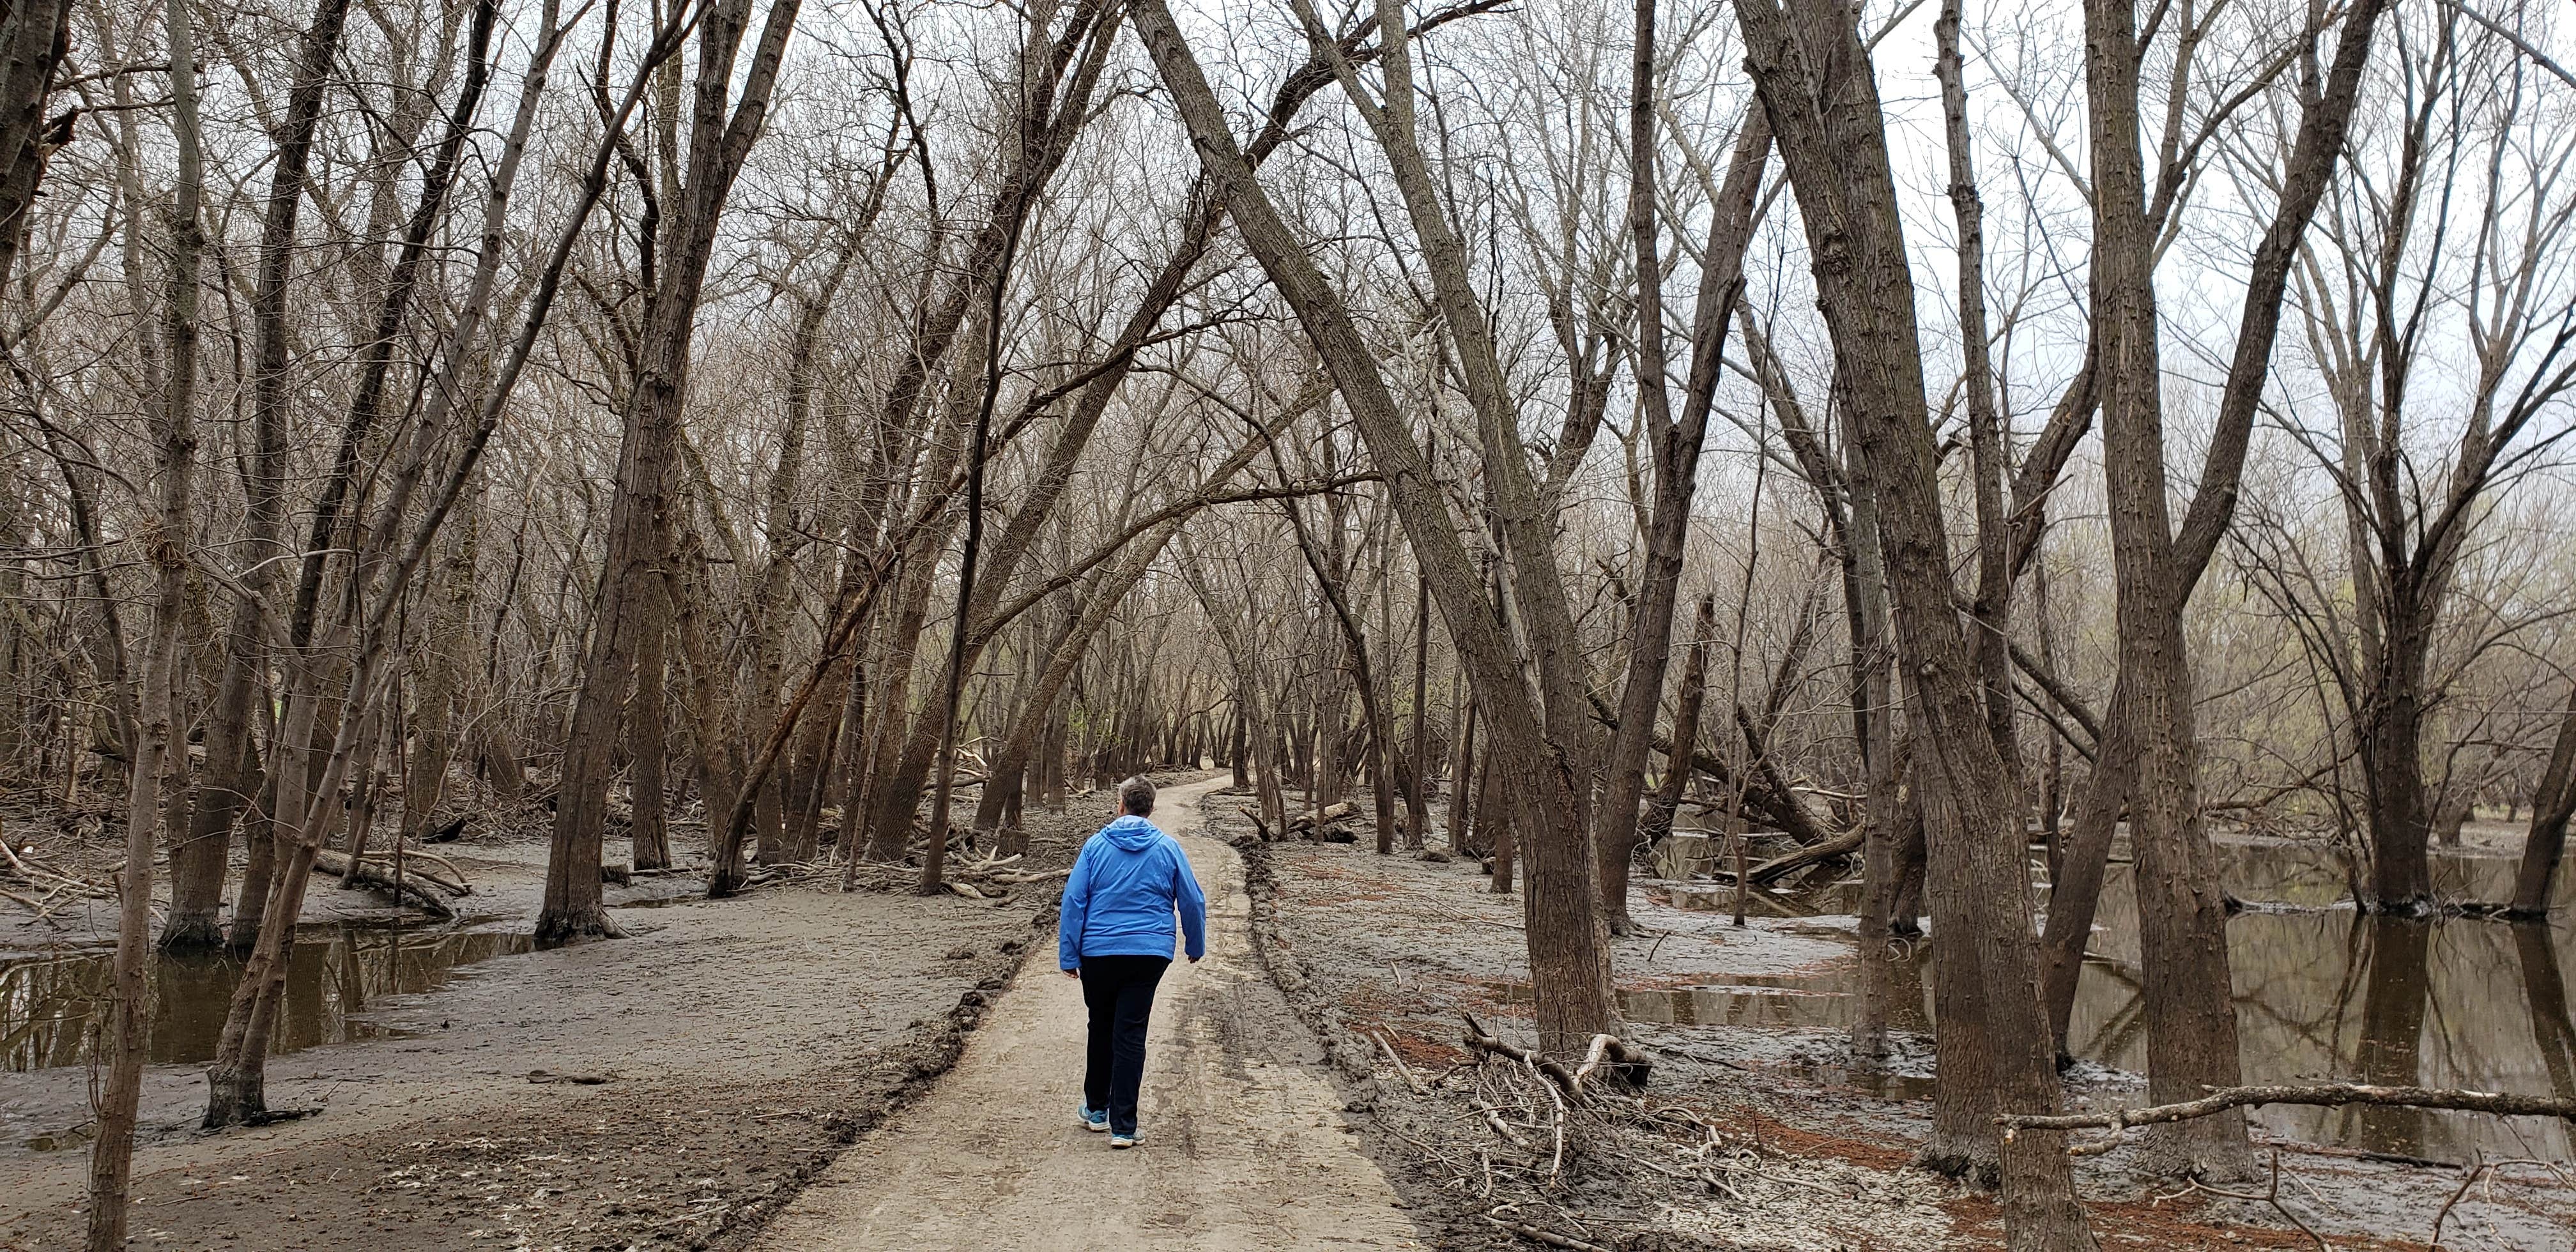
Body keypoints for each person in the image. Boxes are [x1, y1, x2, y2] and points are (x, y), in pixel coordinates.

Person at [1057, 775, 1206, 1149]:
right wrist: (1195, 943)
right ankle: (1124, 1127)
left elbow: (1074, 902)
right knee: (1131, 1032)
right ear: (1151, 808)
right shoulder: (1168, 848)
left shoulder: (1095, 847)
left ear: (1121, 805)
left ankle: (1096, 1110)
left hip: (1099, 953)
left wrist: (1069, 954)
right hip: (1148, 953)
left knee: (1102, 1024)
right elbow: (1192, 900)